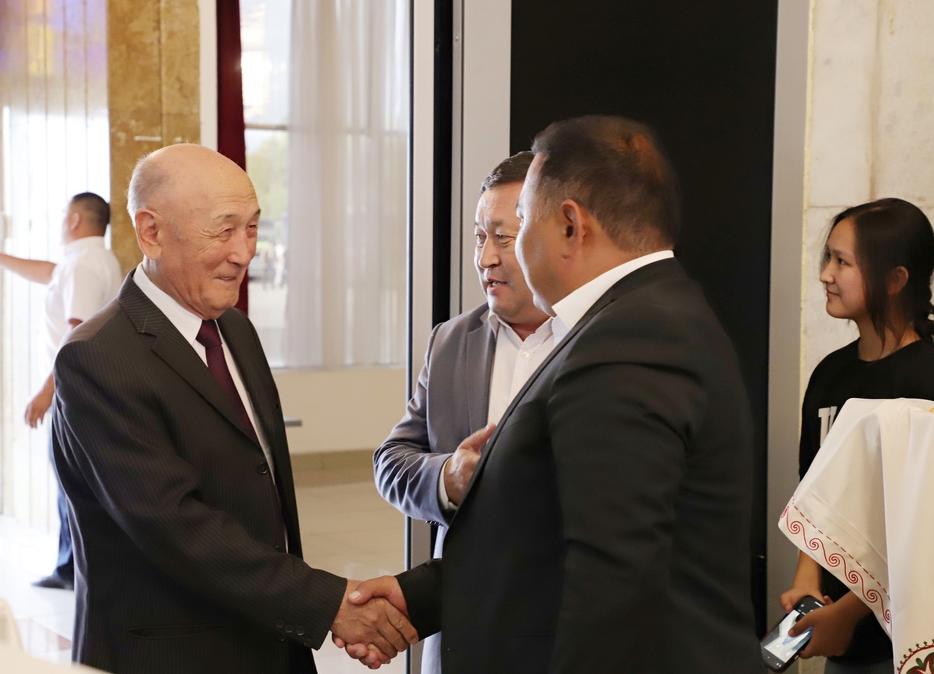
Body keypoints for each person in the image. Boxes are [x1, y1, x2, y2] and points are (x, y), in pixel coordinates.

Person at [342, 115, 762, 673]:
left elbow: (612, 584)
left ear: (569, 225)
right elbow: (543, 538)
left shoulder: (630, 340)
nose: (493, 254)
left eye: (519, 222)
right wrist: (418, 598)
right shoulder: (644, 316)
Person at [50, 144, 417, 673]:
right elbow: (175, 526)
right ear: (151, 232)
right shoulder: (98, 357)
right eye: (223, 231)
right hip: (170, 656)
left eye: (251, 228)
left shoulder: (234, 330)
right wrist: (330, 604)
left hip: (267, 639)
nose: (244, 253)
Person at [373, 151, 551, 674]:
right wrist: (448, 477)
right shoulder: (452, 342)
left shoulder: (596, 341)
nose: (486, 258)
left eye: (503, 237)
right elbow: (391, 461)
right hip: (465, 635)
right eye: (479, 237)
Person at [780, 198, 934, 674]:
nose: (825, 274)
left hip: (902, 642)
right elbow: (816, 494)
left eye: (843, 262)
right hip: (843, 645)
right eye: (827, 257)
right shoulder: (830, 374)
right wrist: (807, 580)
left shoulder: (927, 381)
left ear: (895, 279)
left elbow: (921, 531)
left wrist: (847, 614)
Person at [0, 192, 122, 590]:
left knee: (73, 483)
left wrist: (47, 390)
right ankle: (74, 568)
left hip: (74, 392)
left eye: (64, 215)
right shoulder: (93, 260)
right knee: (77, 481)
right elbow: (51, 273)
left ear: (75, 220)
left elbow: (77, 333)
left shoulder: (83, 265)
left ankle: (73, 571)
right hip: (87, 390)